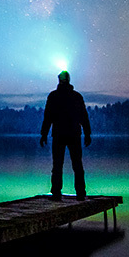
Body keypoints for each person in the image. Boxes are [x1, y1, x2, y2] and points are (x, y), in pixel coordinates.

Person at [40, 70, 92, 198]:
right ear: (68, 80)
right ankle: (80, 192)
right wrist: (87, 133)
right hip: (73, 134)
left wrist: (44, 134)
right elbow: (83, 116)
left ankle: (56, 192)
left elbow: (48, 117)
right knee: (77, 164)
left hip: (59, 134)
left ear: (59, 80)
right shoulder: (76, 96)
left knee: (57, 164)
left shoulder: (53, 96)